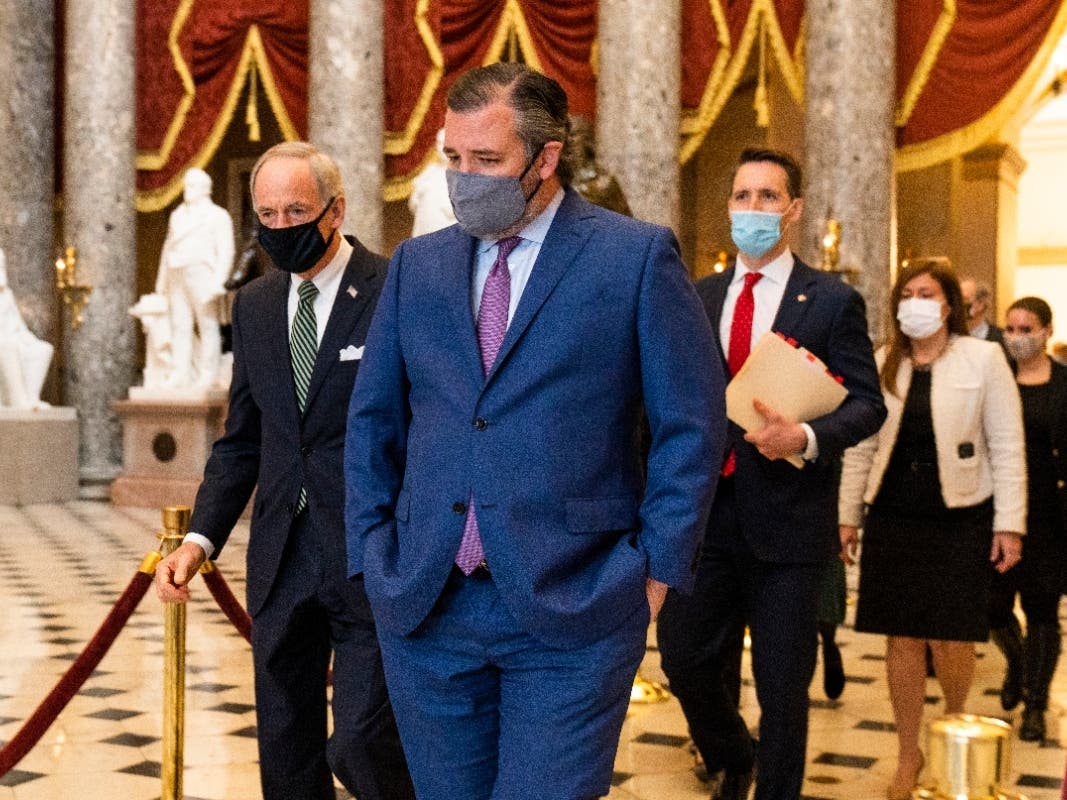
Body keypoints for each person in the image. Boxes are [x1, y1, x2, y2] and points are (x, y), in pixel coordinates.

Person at [344, 63, 724, 800]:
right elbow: (371, 423)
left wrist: (654, 572)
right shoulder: (417, 266)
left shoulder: (633, 257)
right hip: (427, 600)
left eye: (486, 160)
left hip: (575, 602)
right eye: (453, 157)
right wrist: (372, 554)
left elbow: (691, 424)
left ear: (546, 158)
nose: (463, 179)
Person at [154, 142, 414, 800]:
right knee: (285, 745)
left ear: (335, 211)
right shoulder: (256, 304)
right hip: (280, 556)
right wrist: (199, 540)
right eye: (266, 215)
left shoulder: (395, 289)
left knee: (363, 740)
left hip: (370, 551)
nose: (279, 227)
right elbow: (243, 440)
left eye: (295, 211)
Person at [656, 147, 886, 800]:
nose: (751, 208)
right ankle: (734, 755)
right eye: (741, 196)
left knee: (783, 688)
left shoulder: (831, 300)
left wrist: (805, 437)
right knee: (683, 658)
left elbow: (867, 404)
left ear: (793, 210)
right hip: (705, 518)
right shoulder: (696, 296)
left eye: (766, 196)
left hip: (788, 523)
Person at [838, 259, 1026, 799]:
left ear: (948, 305)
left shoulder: (983, 358)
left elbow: (1007, 445)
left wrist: (1010, 524)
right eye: (907, 293)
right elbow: (861, 445)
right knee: (902, 638)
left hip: (961, 514)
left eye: (927, 293)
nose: (915, 302)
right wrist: (847, 515)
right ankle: (907, 753)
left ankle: (952, 733)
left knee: (951, 636)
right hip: (894, 513)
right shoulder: (884, 360)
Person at [988, 296, 1067, 742]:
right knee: (991, 605)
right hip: (998, 509)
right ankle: (1017, 663)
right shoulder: (995, 377)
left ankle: (1035, 704)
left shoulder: (1064, 383)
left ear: (1047, 331)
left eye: (1026, 329)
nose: (1017, 337)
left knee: (1042, 609)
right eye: (1011, 329)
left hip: (1049, 515)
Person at [154, 168, 235, 389]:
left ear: (204, 189)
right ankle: (180, 373)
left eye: (192, 186)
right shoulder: (178, 214)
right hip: (176, 271)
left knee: (207, 324)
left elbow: (226, 250)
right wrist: (161, 281)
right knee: (180, 326)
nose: (187, 190)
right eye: (187, 185)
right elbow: (167, 248)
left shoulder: (217, 215)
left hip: (202, 273)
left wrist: (219, 281)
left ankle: (208, 374)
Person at [0, 247, 53, 409]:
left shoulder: (6, 295)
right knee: (7, 346)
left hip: (11, 338)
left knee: (43, 349)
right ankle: (18, 400)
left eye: (2, 266)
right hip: (4, 342)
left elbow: (16, 322)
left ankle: (31, 398)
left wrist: (25, 335)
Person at [407, 128, 457, 236]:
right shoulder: (430, 171)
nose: (442, 149)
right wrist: (418, 195)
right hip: (424, 230)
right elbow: (414, 204)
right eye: (439, 144)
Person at [960, 277, 1006, 347]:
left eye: (964, 299)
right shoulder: (949, 337)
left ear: (981, 304)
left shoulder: (1002, 339)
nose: (957, 304)